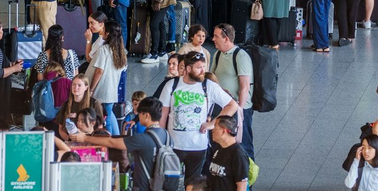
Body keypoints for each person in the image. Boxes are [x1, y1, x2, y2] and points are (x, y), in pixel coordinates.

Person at [158, 51, 239, 184]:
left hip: (197, 147)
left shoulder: (209, 86)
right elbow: (163, 114)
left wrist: (213, 124)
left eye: (204, 66)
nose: (203, 71)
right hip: (173, 146)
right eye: (199, 67)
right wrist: (161, 141)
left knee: (192, 185)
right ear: (188, 69)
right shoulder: (172, 85)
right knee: (169, 185)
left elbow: (232, 105)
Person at [70, 96, 171, 190]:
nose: (138, 116)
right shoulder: (167, 136)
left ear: (147, 115)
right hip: (161, 186)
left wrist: (85, 138)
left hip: (143, 187)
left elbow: (112, 142)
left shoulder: (142, 139)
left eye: (140, 113)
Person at [209, 24, 255, 159]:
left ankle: (247, 176)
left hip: (240, 109)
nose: (213, 39)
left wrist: (239, 110)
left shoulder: (240, 56)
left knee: (243, 143)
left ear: (226, 38)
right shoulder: (218, 54)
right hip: (224, 106)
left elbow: (245, 86)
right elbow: (213, 77)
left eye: (216, 36)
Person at [88, 20, 128, 130]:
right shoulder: (121, 51)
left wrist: (91, 89)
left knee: (102, 119)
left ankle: (106, 141)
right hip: (111, 91)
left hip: (101, 90)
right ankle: (113, 139)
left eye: (104, 30)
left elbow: (99, 71)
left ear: (108, 33)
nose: (102, 32)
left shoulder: (104, 50)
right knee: (109, 118)